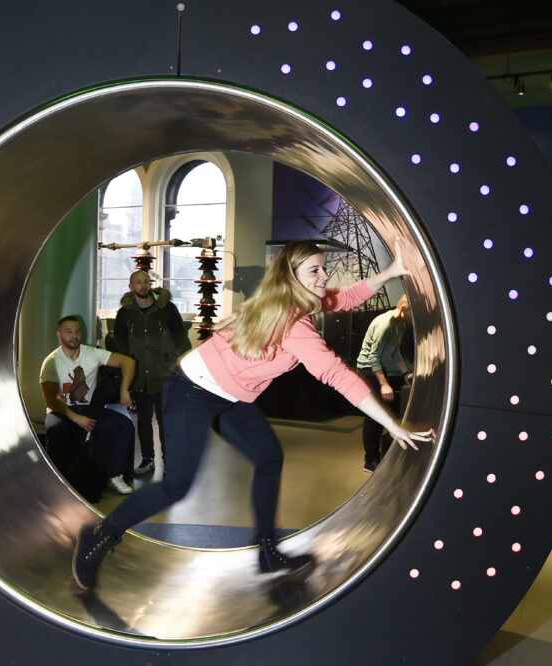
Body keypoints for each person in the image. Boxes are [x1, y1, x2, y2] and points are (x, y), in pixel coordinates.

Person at [72, 240, 434, 590]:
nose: (324, 276)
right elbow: (337, 375)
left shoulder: (294, 300)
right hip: (191, 392)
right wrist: (391, 423)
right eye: (314, 270)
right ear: (292, 277)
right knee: (176, 487)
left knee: (269, 457)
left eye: (323, 268)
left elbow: (347, 297)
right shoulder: (293, 323)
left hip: (230, 397)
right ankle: (100, 537)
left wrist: (392, 271)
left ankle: (267, 553)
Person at [40, 315, 137, 497]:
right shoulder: (52, 362)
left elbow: (128, 362)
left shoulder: (91, 353)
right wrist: (77, 418)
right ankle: (57, 480)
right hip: (62, 411)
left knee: (123, 425)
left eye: (77, 331)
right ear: (59, 335)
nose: (74, 336)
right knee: (57, 429)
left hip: (90, 409)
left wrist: (124, 389)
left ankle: (114, 475)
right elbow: (51, 401)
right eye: (69, 332)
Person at [113, 270, 192, 477]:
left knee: (166, 420)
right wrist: (125, 371)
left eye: (146, 282)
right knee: (144, 420)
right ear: (131, 287)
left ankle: (169, 461)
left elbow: (182, 339)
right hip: (139, 376)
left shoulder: (167, 309)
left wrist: (181, 368)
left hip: (165, 375)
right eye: (138, 283)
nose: (143, 286)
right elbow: (119, 343)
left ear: (151, 284)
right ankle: (147, 459)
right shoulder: (125, 314)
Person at [356, 294, 412, 471]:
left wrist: (406, 374)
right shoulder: (385, 324)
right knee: (374, 416)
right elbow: (373, 357)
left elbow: (395, 354)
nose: (415, 319)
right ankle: (370, 461)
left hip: (378, 370)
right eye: (413, 314)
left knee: (381, 415)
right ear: (403, 309)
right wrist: (383, 384)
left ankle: (376, 457)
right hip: (368, 370)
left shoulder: (400, 325)